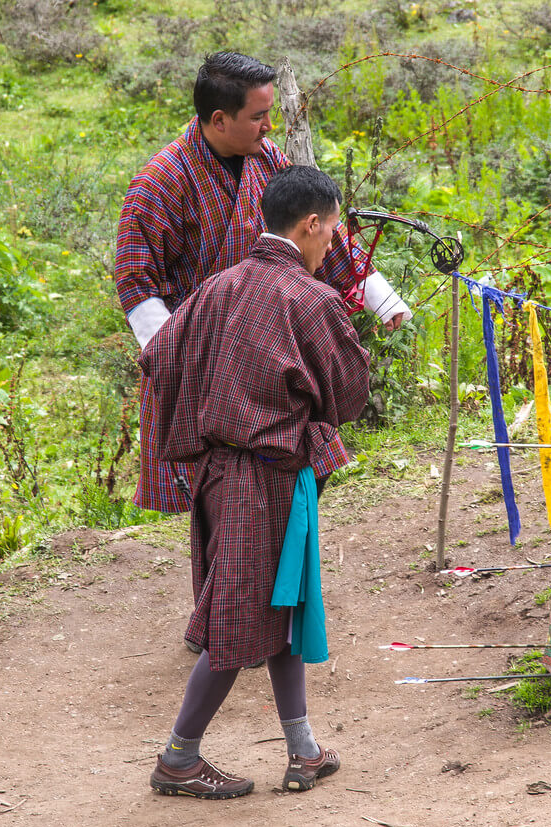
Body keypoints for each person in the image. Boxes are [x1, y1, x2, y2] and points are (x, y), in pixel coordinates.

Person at [138, 166, 369, 799]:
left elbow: (158, 354)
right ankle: (178, 758)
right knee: (235, 618)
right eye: (332, 232)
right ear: (310, 225)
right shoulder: (309, 300)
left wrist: (195, 430)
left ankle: (304, 751)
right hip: (264, 480)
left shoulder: (220, 286)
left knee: (281, 605)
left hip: (221, 473)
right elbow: (349, 395)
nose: (333, 245)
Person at [115, 51, 409, 515]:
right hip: (202, 355)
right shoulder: (157, 184)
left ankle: (280, 573)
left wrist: (380, 297)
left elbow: (312, 232)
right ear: (218, 119)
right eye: (258, 116)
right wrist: (177, 358)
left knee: (292, 473)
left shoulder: (266, 159)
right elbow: (136, 279)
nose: (270, 125)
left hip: (272, 349)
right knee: (218, 497)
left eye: (271, 112)